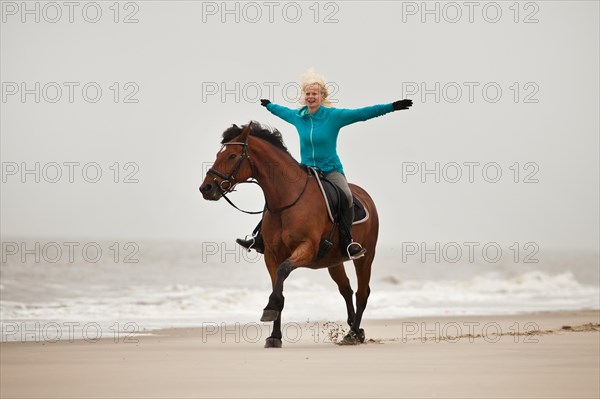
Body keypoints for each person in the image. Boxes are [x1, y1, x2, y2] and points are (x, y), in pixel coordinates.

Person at [237, 68, 412, 259]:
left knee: (345, 196)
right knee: (276, 193)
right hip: (305, 171)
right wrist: (270, 106)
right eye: (308, 94)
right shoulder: (299, 117)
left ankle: (348, 242)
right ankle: (259, 237)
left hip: (330, 170)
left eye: (315, 94)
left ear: (322, 96)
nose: (311, 97)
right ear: (304, 97)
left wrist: (392, 106)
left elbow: (363, 113)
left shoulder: (334, 116)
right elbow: (282, 112)